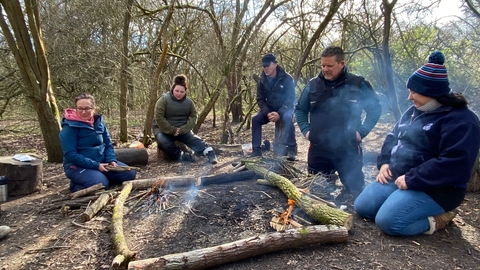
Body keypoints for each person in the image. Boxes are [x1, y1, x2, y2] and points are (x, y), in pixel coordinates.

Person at [354, 51, 480, 236]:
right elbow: (392, 136)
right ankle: (400, 201)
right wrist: (385, 163)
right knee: (363, 207)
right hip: (401, 176)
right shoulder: (415, 110)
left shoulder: (462, 121)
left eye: (414, 92)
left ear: (432, 93)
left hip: (438, 188)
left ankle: (440, 218)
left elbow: (454, 164)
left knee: (389, 222)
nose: (409, 98)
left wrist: (412, 179)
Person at [295, 46, 381, 196]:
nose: (325, 69)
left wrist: (361, 132)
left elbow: (375, 109)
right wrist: (307, 131)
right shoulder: (313, 85)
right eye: (322, 65)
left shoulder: (358, 84)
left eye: (329, 66)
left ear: (341, 64)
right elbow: (300, 110)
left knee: (355, 191)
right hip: (318, 148)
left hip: (348, 148)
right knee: (317, 193)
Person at [59, 93, 137, 192]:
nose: (83, 112)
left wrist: (111, 160)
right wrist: (96, 166)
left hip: (102, 162)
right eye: (80, 108)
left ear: (94, 108)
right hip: (77, 166)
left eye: (87, 108)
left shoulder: (99, 123)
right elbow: (70, 155)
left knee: (130, 174)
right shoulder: (69, 127)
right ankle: (76, 185)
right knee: (101, 185)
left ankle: (100, 177)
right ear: (76, 108)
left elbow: (108, 144)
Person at [152, 74, 218, 164]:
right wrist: (172, 130)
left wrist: (184, 129)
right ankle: (182, 156)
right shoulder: (163, 100)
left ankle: (210, 153)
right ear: (172, 89)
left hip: (182, 129)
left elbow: (194, 116)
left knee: (193, 139)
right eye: (177, 91)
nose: (179, 94)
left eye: (182, 92)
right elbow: (158, 117)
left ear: (185, 92)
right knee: (163, 142)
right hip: (162, 129)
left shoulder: (189, 102)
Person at [251, 53, 297, 160]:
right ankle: (256, 150)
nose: (266, 68)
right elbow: (260, 99)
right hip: (270, 109)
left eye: (268, 65)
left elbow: (290, 99)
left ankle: (291, 148)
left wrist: (279, 113)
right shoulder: (262, 80)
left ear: (275, 64)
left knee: (287, 118)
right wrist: (267, 112)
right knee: (255, 119)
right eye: (264, 66)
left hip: (285, 108)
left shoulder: (287, 78)